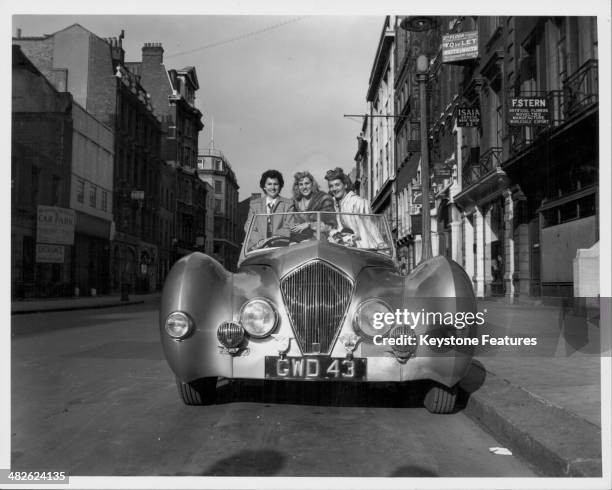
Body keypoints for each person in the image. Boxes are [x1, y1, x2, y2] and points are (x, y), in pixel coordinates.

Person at [324, 167, 384, 249]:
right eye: (331, 186)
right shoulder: (335, 204)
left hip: (365, 250)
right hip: (348, 249)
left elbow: (369, 229)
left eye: (337, 185)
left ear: (345, 185)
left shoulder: (358, 202)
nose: (334, 189)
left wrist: (381, 246)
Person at [244, 170, 294, 249]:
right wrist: (261, 241)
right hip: (257, 247)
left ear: (280, 186)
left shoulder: (288, 204)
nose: (273, 188)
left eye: (276, 184)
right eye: (269, 184)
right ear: (264, 186)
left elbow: (289, 226)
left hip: (280, 247)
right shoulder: (255, 204)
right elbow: (248, 227)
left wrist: (272, 240)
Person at [289, 171, 335, 241]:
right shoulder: (294, 202)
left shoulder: (324, 199)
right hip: (298, 238)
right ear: (297, 187)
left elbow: (329, 226)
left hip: (320, 239)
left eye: (307, 183)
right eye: (301, 184)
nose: (304, 187)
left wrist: (309, 224)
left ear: (312, 184)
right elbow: (290, 223)